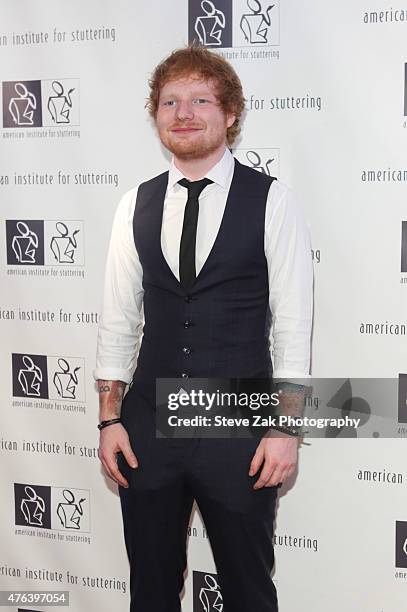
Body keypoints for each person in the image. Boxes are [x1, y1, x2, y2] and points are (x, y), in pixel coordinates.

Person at [94, 44, 313, 612]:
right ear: (156, 113)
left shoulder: (271, 202)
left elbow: (292, 323)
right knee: (151, 589)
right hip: (146, 430)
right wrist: (109, 418)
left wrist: (286, 430)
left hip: (237, 426)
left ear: (230, 114)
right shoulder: (133, 205)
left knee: (248, 588)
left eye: (199, 99)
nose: (183, 112)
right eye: (170, 101)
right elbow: (118, 321)